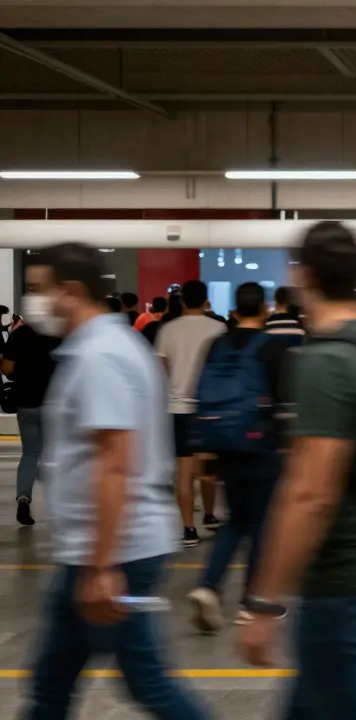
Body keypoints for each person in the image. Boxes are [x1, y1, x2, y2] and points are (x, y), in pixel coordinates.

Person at [22, 243, 209, 720]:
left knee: (146, 685)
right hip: (99, 550)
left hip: (115, 553)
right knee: (51, 685)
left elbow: (115, 464)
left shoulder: (99, 357)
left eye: (38, 290)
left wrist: (102, 567)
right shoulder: (104, 347)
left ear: (72, 292)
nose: (33, 302)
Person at [238, 222, 356, 720]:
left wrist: (264, 603)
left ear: (303, 275)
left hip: (344, 579)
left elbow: (311, 494)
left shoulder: (325, 360)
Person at [187, 282, 291, 634]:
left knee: (235, 521)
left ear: (233, 310)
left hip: (224, 443)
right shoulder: (273, 347)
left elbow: (201, 392)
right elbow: (284, 400)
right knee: (261, 523)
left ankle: (208, 586)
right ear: (264, 310)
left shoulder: (216, 343)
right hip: (261, 444)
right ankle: (251, 602)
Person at [155, 281, 226, 547]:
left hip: (178, 409)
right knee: (208, 468)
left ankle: (188, 529)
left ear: (183, 300)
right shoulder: (219, 329)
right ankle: (209, 515)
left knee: (184, 472)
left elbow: (160, 369)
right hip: (209, 409)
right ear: (206, 300)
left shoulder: (168, 330)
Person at [6, 273, 62, 526]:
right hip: (51, 402)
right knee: (52, 452)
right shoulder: (58, 334)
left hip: (26, 401)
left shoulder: (19, 335)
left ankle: (23, 500)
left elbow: (7, 369)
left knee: (30, 451)